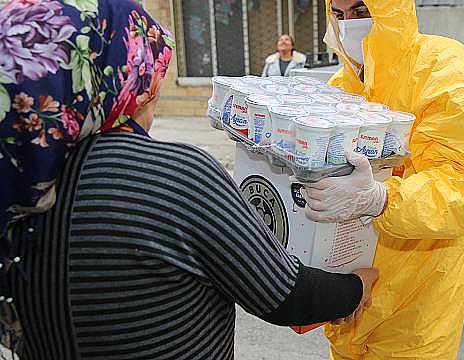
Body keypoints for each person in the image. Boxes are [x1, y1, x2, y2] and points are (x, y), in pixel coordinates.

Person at [0, 1, 377, 359]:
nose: (156, 94)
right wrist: (358, 285)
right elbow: (286, 295)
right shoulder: (175, 175)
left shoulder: (15, 185)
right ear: (121, 79)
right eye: (149, 74)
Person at [300, 0, 464, 358]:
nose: (349, 24)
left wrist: (381, 199)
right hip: (351, 301)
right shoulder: (341, 86)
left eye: (361, 11)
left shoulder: (446, 72)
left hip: (415, 305)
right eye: (339, 13)